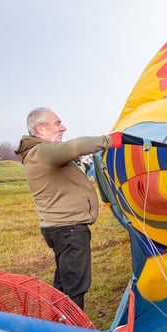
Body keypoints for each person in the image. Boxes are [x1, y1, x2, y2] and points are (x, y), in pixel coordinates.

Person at [15, 108, 121, 309]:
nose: (63, 128)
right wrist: (109, 140)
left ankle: (58, 324)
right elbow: (74, 147)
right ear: (41, 128)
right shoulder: (42, 152)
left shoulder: (39, 153)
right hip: (68, 230)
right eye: (57, 123)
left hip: (63, 229)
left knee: (64, 283)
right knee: (74, 287)